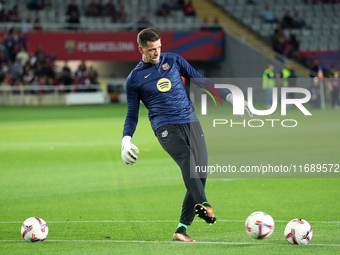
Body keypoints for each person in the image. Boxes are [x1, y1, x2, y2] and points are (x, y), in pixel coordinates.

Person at [121, 28, 252, 242]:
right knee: (186, 159)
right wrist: (126, 140)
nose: (157, 53)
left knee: (199, 175)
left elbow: (201, 80)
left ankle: (181, 230)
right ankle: (205, 204)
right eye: (152, 49)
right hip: (165, 126)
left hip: (191, 121)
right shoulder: (134, 79)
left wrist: (230, 97)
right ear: (141, 49)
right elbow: (132, 114)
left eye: (159, 48)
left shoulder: (172, 60)